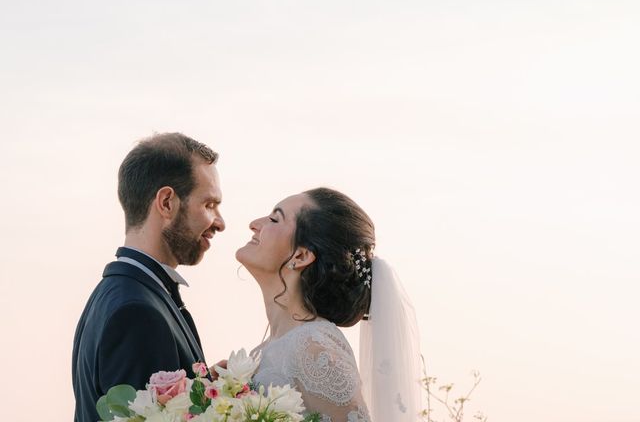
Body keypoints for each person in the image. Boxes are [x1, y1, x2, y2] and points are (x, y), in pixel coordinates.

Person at [72, 132, 225, 422]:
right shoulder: (137, 312)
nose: (220, 222)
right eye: (209, 205)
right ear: (167, 202)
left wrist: (204, 395)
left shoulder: (114, 294)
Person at [236, 188, 423, 422]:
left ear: (301, 256)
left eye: (274, 219)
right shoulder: (274, 346)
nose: (255, 224)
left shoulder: (315, 348)